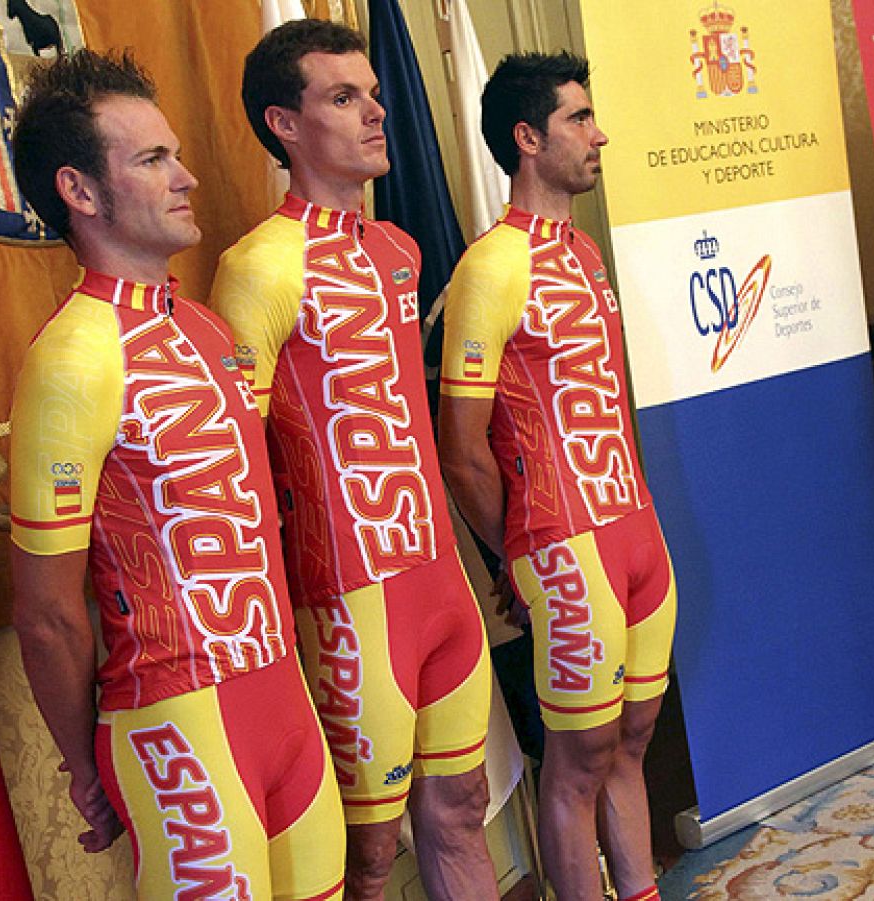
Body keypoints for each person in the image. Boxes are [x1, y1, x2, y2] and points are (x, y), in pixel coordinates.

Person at [8, 49, 345, 899]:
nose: (186, 176)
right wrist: (88, 768)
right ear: (80, 192)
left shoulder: (201, 326)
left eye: (176, 153)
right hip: (177, 721)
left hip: (283, 701)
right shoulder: (72, 358)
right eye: (152, 160)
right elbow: (47, 614)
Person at [209, 21, 497, 901]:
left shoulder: (399, 250)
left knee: (462, 807)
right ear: (284, 124)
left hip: (439, 580)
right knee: (367, 855)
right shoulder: (257, 267)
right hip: (348, 600)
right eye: (344, 98)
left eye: (373, 94)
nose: (377, 113)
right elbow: (237, 463)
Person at [439, 51, 675, 901]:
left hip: (635, 529)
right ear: (528, 137)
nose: (598, 133)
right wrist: (518, 554)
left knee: (633, 742)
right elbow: (461, 449)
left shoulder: (582, 251)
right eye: (580, 118)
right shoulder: (490, 267)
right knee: (576, 763)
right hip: (562, 543)